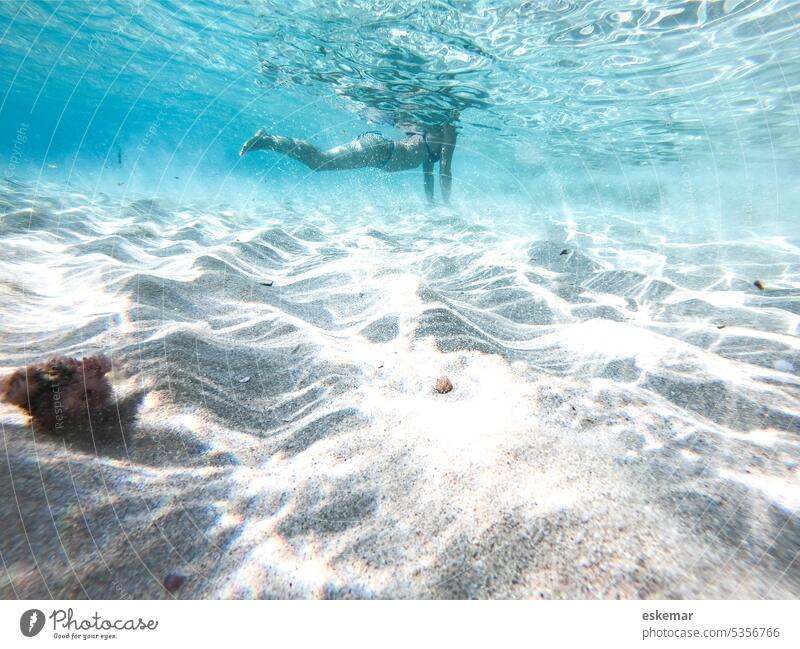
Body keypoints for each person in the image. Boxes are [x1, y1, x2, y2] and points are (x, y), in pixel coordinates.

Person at [239, 120, 457, 203]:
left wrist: (433, 204)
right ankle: (268, 140)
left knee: (319, 163)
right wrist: (448, 205)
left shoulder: (434, 132)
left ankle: (269, 140)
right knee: (320, 162)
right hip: (381, 151)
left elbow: (429, 173)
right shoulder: (446, 130)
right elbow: (444, 171)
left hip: (380, 154)